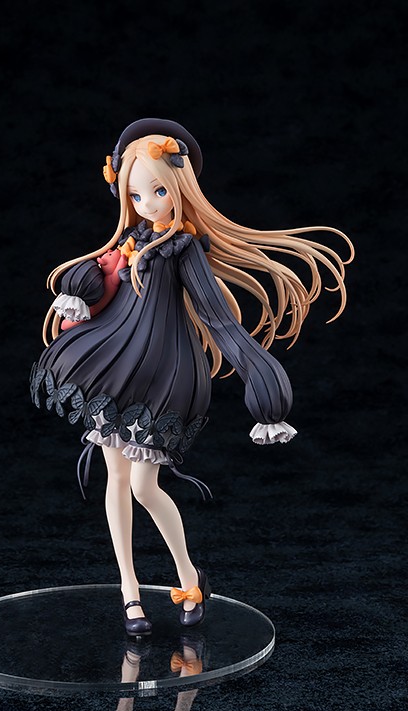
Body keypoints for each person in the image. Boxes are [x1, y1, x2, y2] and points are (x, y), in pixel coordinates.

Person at [30, 118, 353, 636]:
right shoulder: (131, 241)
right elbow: (104, 289)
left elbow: (219, 320)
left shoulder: (183, 248)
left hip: (163, 375)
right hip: (116, 365)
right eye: (137, 194)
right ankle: (130, 592)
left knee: (144, 486)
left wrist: (261, 380)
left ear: (180, 187)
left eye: (158, 191)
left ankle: (188, 576)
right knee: (116, 480)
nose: (147, 203)